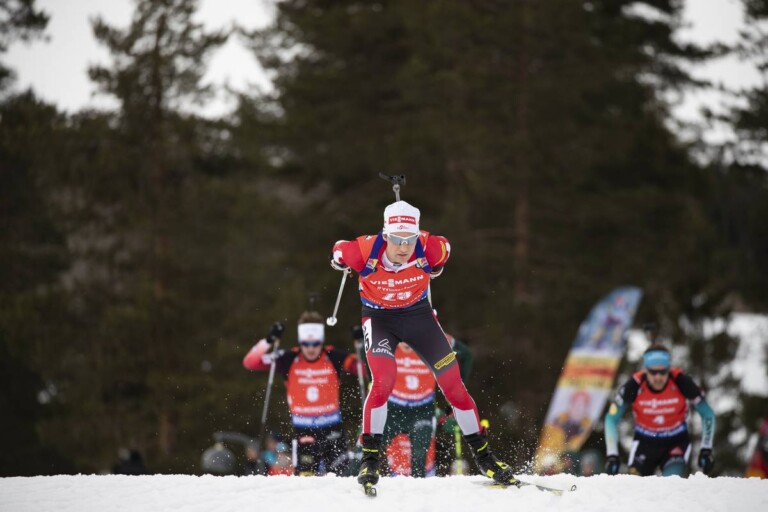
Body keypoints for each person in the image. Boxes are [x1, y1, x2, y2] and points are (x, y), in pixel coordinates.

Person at [330, 200, 519, 487]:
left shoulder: (431, 248)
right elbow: (339, 247)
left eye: (410, 239)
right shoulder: (363, 251)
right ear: (385, 234)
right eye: (397, 239)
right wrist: (338, 260)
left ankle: (485, 457)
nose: (403, 247)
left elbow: (446, 249)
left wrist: (437, 268)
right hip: (380, 321)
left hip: (419, 319)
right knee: (383, 382)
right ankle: (370, 459)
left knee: (454, 386)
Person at [243, 311, 361, 476]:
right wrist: (268, 340)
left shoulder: (333, 356)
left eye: (315, 343)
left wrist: (363, 344)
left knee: (341, 479)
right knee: (305, 481)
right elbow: (250, 362)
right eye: (306, 344)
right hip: (304, 432)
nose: (311, 348)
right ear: (300, 342)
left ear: (321, 341)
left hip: (333, 430)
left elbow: (364, 367)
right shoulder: (288, 358)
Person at [603, 345, 716, 476]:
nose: (658, 377)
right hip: (644, 443)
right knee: (636, 486)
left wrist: (706, 449)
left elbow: (707, 413)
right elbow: (611, 418)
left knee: (671, 483)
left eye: (663, 372)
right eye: (653, 372)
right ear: (645, 370)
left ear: (669, 368)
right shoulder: (634, 385)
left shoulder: (681, 382)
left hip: (675, 443)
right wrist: (612, 455)